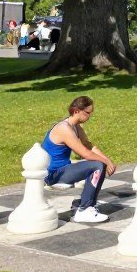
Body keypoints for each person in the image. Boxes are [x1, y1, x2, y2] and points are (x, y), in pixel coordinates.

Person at [42, 95, 116, 224]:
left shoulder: (75, 127)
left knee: (99, 164)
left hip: (63, 170)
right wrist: (105, 162)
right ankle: (85, 209)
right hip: (53, 175)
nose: (89, 116)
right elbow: (85, 154)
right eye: (87, 113)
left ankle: (82, 203)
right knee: (98, 166)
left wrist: (107, 159)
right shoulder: (64, 129)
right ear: (76, 111)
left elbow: (89, 146)